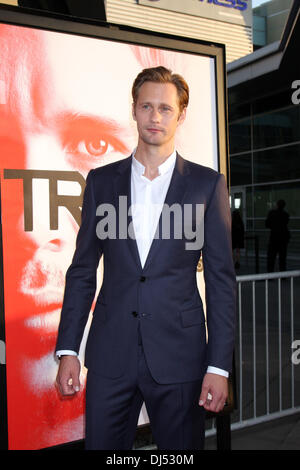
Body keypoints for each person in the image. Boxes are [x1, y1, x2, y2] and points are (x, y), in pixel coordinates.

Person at [55, 66, 236, 450]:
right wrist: (69, 348)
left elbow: (221, 282)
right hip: (110, 354)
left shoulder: (207, 185)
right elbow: (83, 270)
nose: (155, 117)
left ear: (181, 115)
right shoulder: (102, 182)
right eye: (147, 106)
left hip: (180, 355)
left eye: (166, 109)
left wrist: (218, 366)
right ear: (134, 110)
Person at [266, 199, 290, 272]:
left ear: (277, 205)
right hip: (283, 238)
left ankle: (270, 273)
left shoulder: (272, 213)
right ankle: (283, 274)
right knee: (282, 258)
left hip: (274, 238)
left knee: (271, 257)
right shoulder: (285, 215)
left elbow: (267, 224)